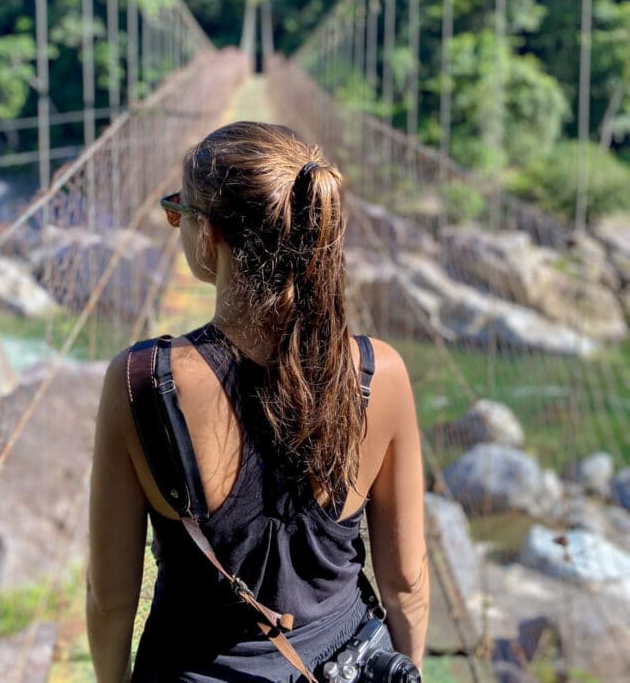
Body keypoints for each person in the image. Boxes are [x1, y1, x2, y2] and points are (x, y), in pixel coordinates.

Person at [87, 121, 429, 682]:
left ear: (208, 234)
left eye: (178, 212)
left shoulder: (140, 382)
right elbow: (407, 584)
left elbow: (109, 598)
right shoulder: (377, 374)